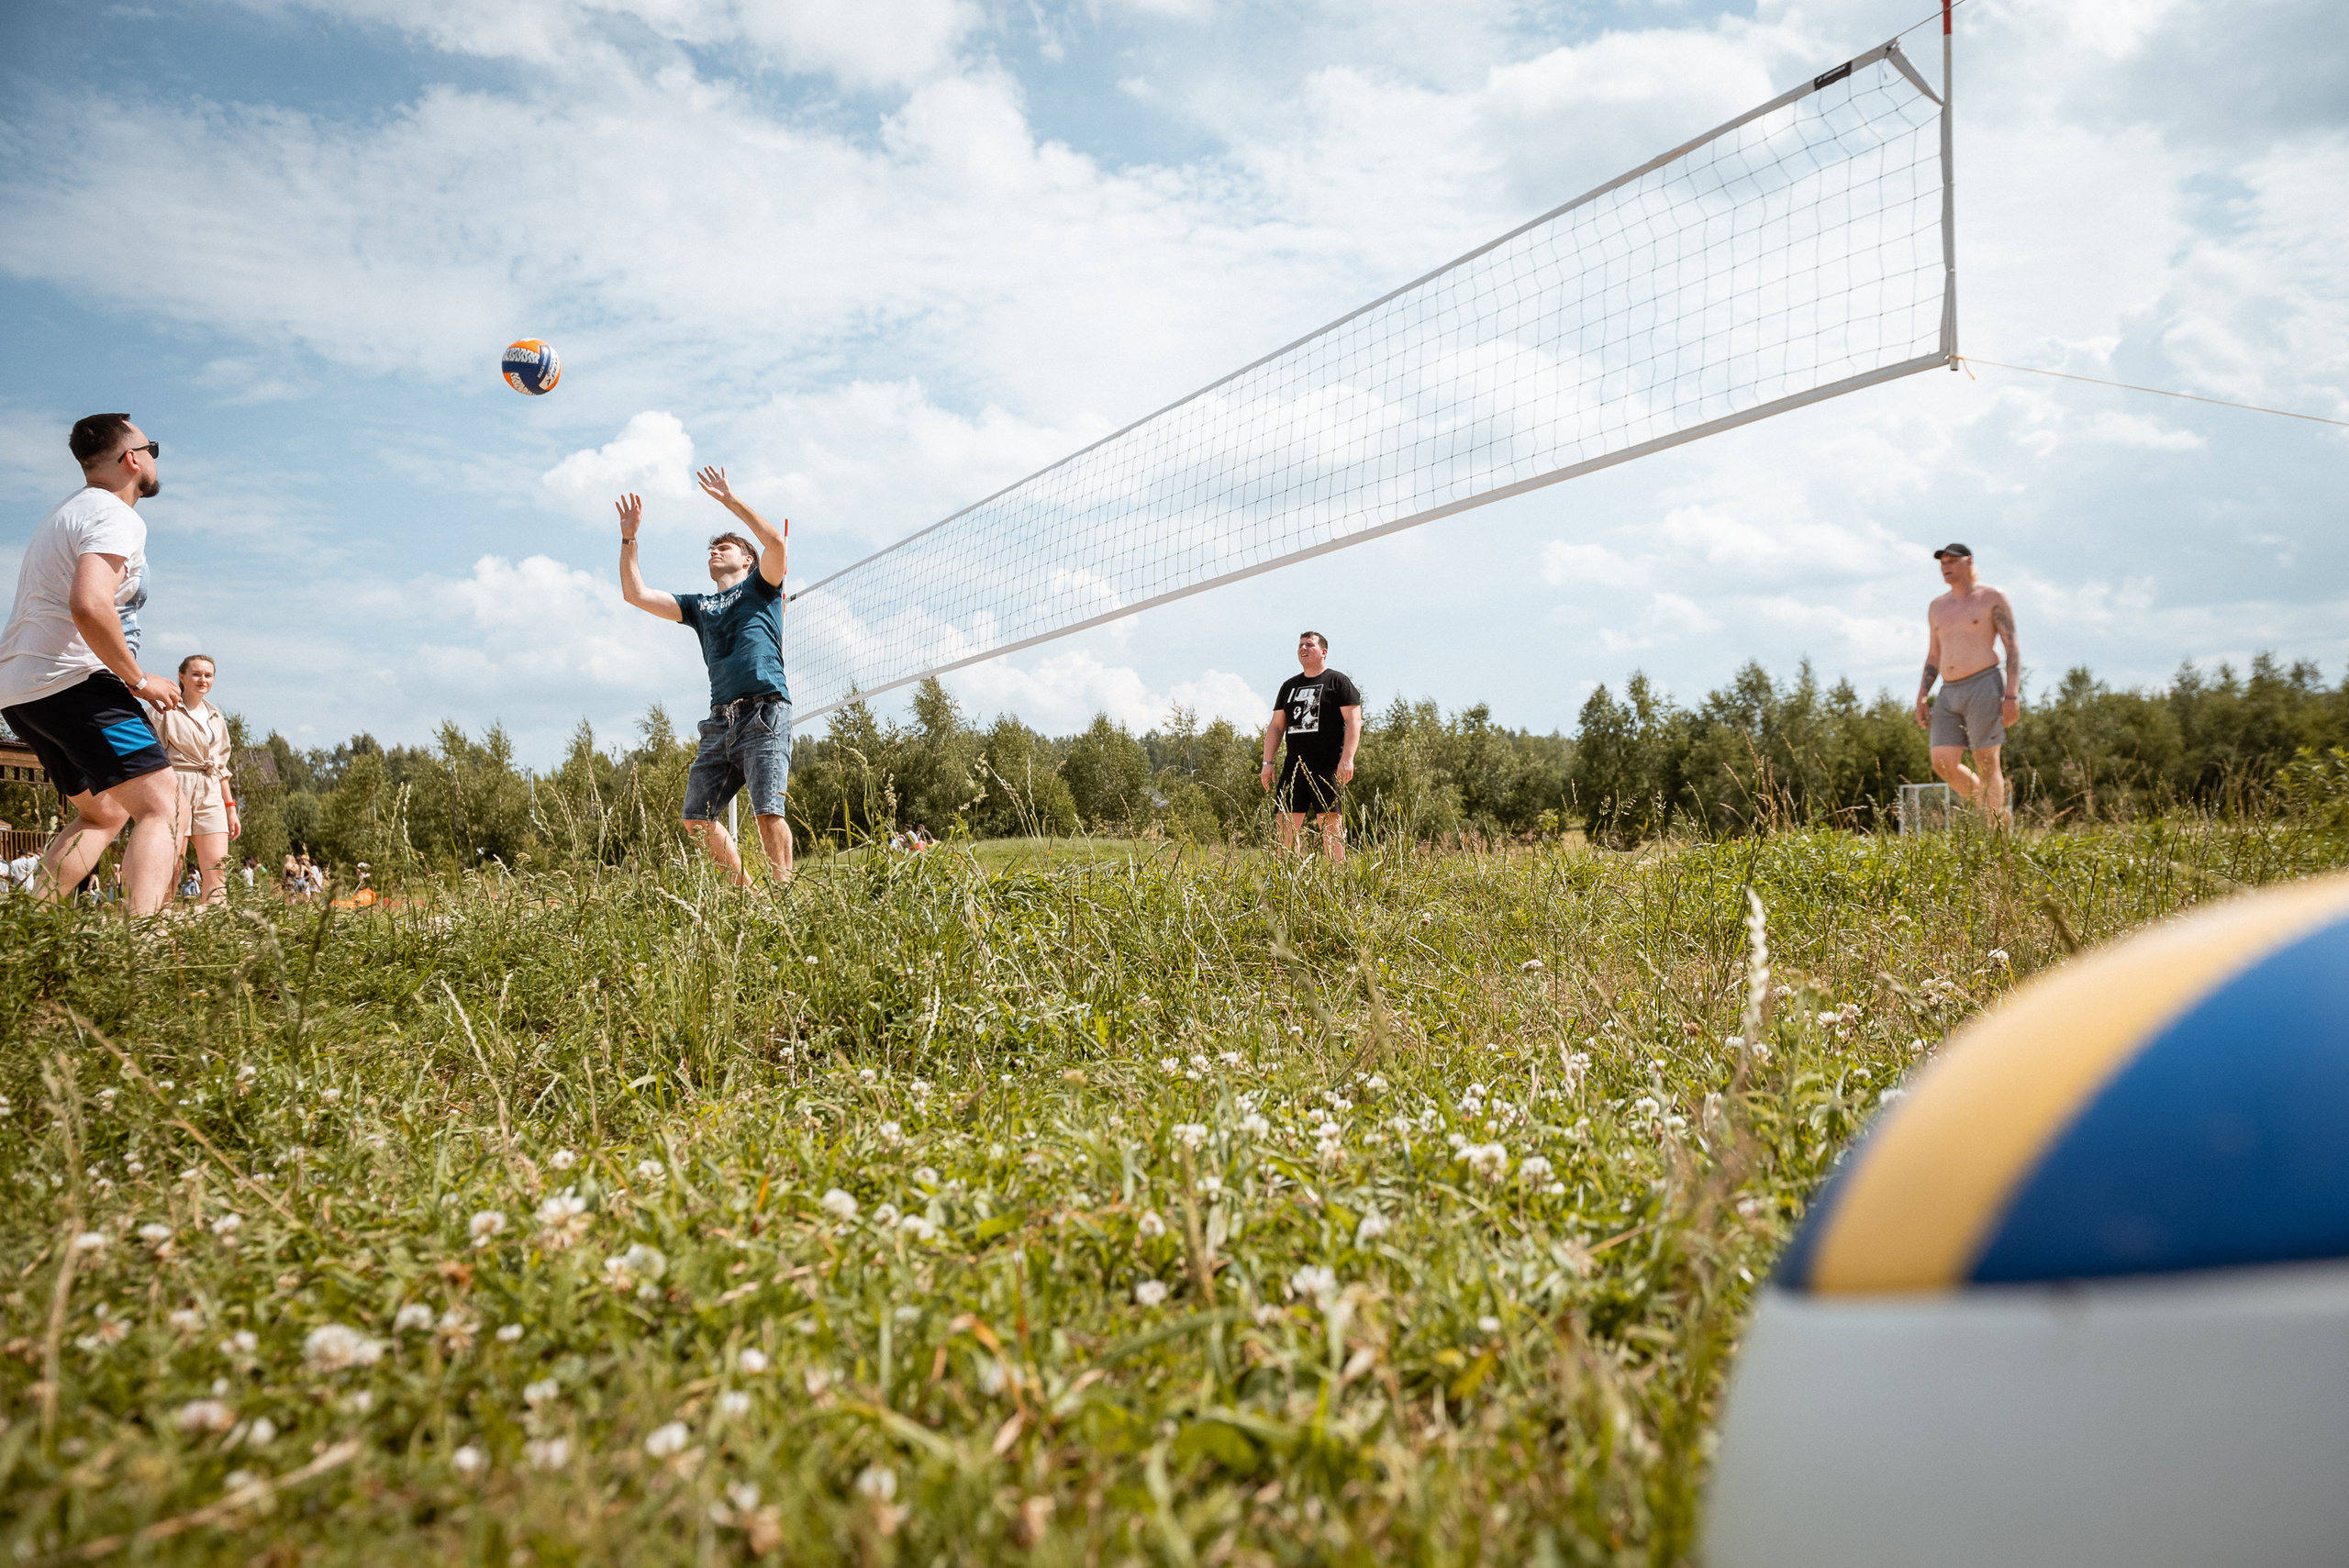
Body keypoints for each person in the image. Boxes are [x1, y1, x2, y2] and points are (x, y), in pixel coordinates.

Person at [0, 414, 184, 915]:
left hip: (21, 690)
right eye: (152, 448)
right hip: (73, 683)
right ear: (131, 458)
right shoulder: (115, 515)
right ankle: (142, 948)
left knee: (103, 814)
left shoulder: (68, 512)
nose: (151, 458)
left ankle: (28, 926)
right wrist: (139, 680)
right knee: (161, 805)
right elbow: (89, 603)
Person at [616, 467, 794, 887]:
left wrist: (729, 499)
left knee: (768, 810)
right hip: (720, 721)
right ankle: (751, 898)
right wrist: (629, 538)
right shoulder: (699, 606)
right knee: (696, 819)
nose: (715, 551)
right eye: (711, 548)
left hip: (764, 711)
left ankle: (786, 904)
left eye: (725, 546)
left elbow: (776, 543)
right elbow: (635, 594)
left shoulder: (762, 586)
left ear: (747, 559)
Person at [1915, 542, 2021, 827]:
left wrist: (2011, 695)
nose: (1945, 567)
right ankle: (1995, 812)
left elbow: (2012, 647)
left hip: (1983, 683)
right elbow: (1934, 654)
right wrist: (1923, 695)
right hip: (1948, 691)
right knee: (1942, 762)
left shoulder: (1991, 597)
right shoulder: (1937, 606)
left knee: (1986, 763)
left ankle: (1998, 830)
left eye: (1951, 561)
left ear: (1969, 562)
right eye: (1942, 563)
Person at [144, 653, 240, 903]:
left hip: (211, 791)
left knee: (217, 866)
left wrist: (231, 808)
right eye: (196, 674)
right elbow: (149, 755)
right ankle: (160, 920)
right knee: (172, 865)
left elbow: (221, 766)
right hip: (176, 785)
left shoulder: (216, 717)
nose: (202, 680)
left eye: (208, 675)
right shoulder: (164, 709)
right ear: (182, 677)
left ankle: (216, 925)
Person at [1260, 631, 1363, 862]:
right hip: (1293, 767)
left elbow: (1354, 720)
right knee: (1285, 824)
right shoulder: (1289, 686)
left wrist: (1348, 758)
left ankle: (1338, 880)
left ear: (1324, 652)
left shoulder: (1337, 681)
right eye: (1300, 645)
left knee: (1331, 825)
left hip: (1326, 768)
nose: (1303, 648)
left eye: (1309, 645)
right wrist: (1268, 762)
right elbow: (1276, 726)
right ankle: (1285, 880)